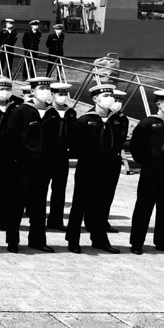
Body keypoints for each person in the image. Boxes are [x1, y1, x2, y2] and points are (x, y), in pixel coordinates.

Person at [65, 84, 125, 253]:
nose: (110, 98)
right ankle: (73, 239)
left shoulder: (117, 120)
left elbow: (119, 143)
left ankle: (100, 239)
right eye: (105, 95)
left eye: (111, 95)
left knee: (103, 204)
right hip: (88, 167)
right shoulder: (85, 120)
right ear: (95, 99)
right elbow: (74, 145)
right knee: (80, 203)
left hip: (109, 168)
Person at [128, 90, 164, 255]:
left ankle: (163, 242)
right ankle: (137, 242)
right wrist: (148, 163)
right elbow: (136, 147)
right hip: (151, 170)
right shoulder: (147, 123)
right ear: (159, 104)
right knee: (144, 206)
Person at [8, 76, 57, 253]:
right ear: (33, 91)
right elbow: (11, 138)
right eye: (41, 89)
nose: (45, 92)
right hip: (23, 164)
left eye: (47, 89)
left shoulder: (52, 113)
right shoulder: (21, 111)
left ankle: (37, 240)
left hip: (44, 165)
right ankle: (12, 240)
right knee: (17, 203)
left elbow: (55, 141)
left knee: (39, 204)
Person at [0, 77, 23, 235]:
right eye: (0, 89)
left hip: (7, 155)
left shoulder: (15, 109)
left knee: (4, 190)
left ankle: (0, 220)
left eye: (7, 90)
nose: (4, 93)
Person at [44, 81, 77, 230]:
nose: (63, 97)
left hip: (62, 155)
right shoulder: (46, 112)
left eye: (65, 94)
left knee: (59, 190)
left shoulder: (71, 113)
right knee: (41, 188)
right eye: (60, 94)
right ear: (52, 95)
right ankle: (36, 218)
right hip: (46, 155)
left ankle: (56, 220)